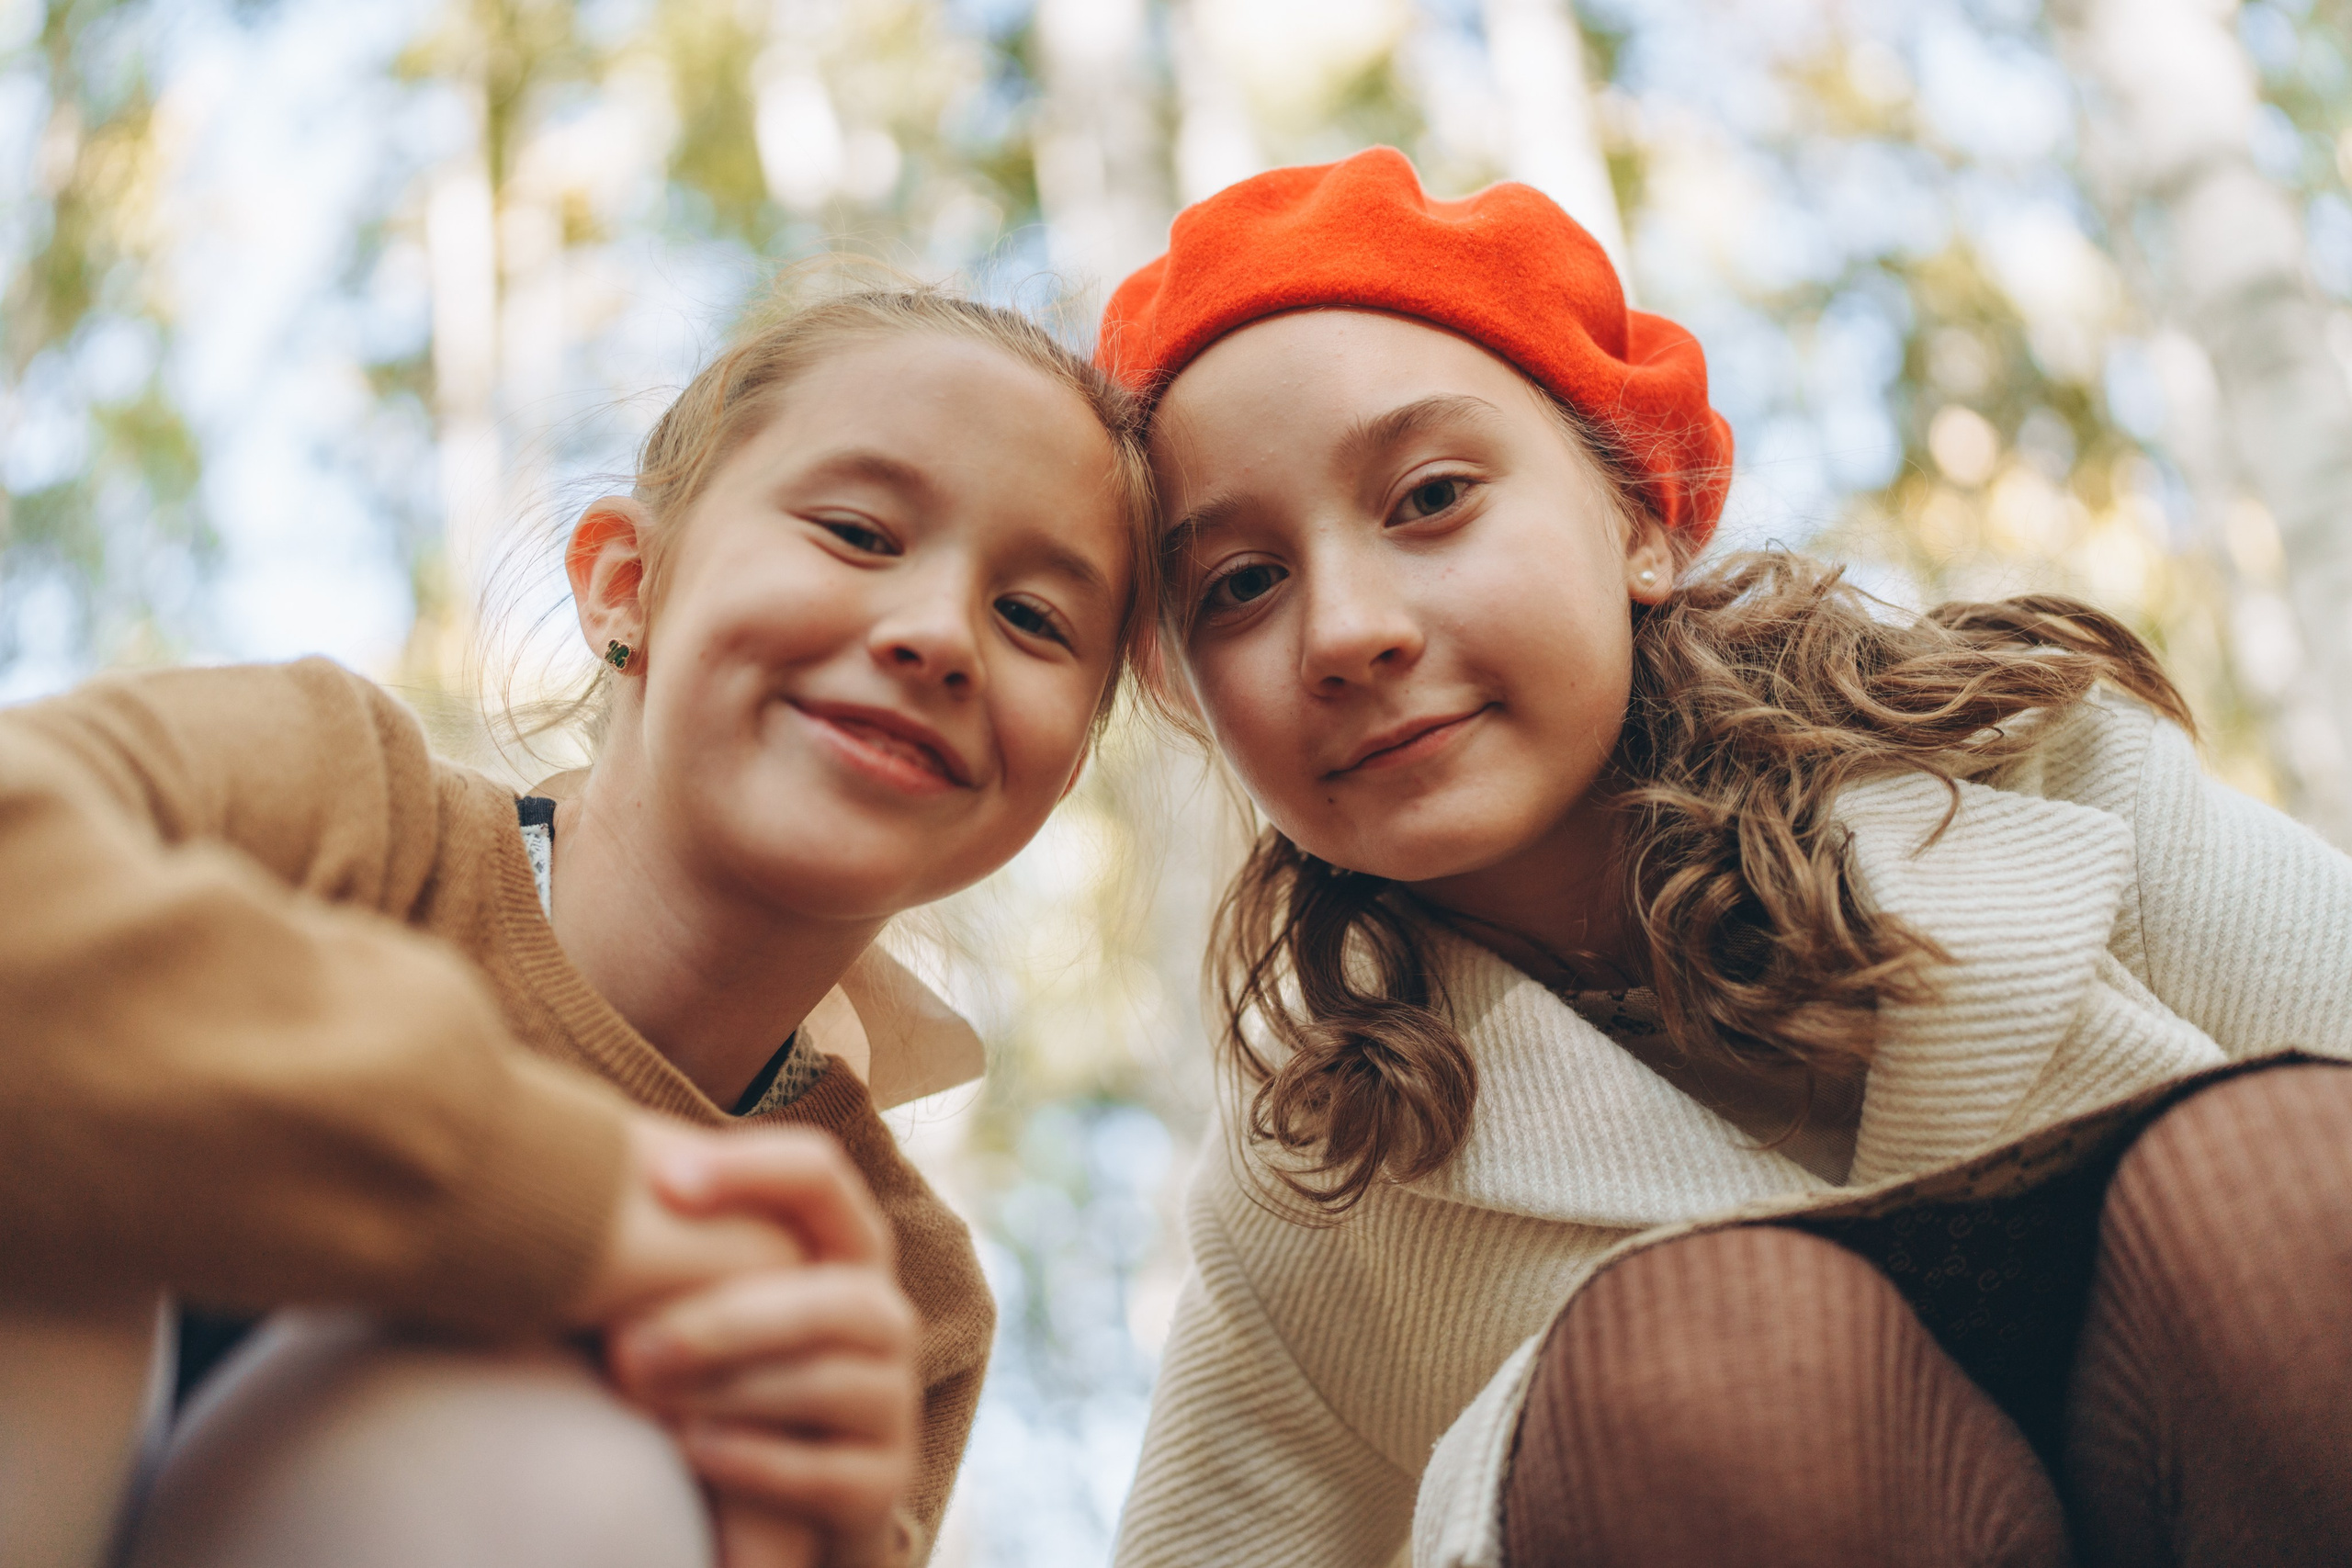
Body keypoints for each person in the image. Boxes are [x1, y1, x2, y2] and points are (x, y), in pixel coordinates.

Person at [1094, 148, 2352, 1568]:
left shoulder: (2036, 771)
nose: (1346, 630)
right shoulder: (1317, 1182)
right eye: (1239, 587)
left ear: (1638, 514)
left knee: (2280, 1185)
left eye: (1431, 497)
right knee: (1706, 1361)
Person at [0, 285, 1155, 1568]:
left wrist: (802, 1543)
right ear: (626, 587)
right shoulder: (339, 813)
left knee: (579, 1470)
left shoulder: (899, 1292)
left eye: (1037, 620)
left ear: (1065, 771)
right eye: (858, 532)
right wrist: (586, 1206)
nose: (942, 636)